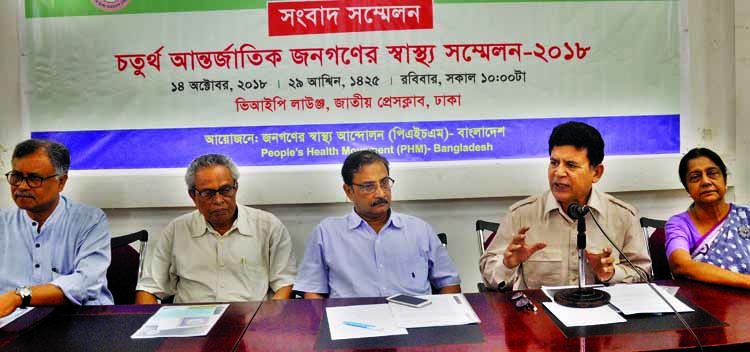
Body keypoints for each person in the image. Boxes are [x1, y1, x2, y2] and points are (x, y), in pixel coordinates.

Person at [479, 121, 651, 290]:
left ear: (596, 173)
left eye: (571, 165)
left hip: (601, 312)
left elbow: (643, 274)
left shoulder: (623, 215)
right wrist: (507, 265)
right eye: (554, 163)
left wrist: (611, 273)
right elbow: (489, 276)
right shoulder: (521, 214)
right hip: (541, 315)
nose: (559, 173)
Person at [294, 150, 461, 298]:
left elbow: (449, 283)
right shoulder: (327, 233)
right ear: (349, 191)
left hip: (414, 323)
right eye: (369, 187)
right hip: (351, 324)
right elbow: (312, 290)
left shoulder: (419, 229)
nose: (381, 193)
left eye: (384, 183)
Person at [135, 154, 296, 303]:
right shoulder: (177, 230)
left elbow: (285, 284)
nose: (219, 200)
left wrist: (268, 322)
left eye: (225, 190)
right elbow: (148, 289)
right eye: (207, 193)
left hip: (250, 320)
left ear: (236, 188)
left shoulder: (267, 226)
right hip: (191, 320)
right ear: (193, 196)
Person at [0, 139, 113, 318]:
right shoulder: (3, 223)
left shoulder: (90, 221)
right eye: (16, 177)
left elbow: (86, 284)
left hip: (78, 321)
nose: (21, 186)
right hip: (13, 327)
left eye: (34, 179)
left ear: (61, 182)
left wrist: (19, 296)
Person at [665, 148, 750, 289]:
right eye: (695, 177)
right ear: (687, 189)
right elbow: (681, 266)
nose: (705, 181)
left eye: (712, 174)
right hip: (706, 304)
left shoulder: (746, 215)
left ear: (725, 180)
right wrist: (747, 282)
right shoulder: (679, 224)